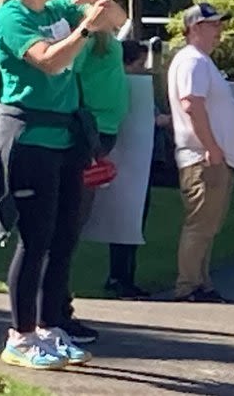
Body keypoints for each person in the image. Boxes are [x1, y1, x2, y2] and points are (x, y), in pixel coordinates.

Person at [0, 0, 122, 370]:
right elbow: (49, 61)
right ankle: (20, 335)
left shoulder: (58, 7)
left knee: (63, 239)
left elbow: (117, 19)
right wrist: (85, 27)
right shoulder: (12, 16)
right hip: (28, 139)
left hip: (64, 140)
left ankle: (49, 328)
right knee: (35, 238)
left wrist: (97, 2)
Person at [45, 0, 130, 339]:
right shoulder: (62, 9)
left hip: (100, 125)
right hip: (83, 124)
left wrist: (96, 2)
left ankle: (56, 307)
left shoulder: (87, 1)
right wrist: (87, 14)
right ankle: (52, 312)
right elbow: (68, 63)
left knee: (72, 222)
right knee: (66, 221)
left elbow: (119, 18)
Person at [168, 2, 234, 303]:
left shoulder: (199, 61)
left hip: (208, 155)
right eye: (213, 25)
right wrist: (212, 146)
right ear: (195, 28)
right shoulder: (193, 62)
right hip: (202, 156)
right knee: (200, 224)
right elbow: (192, 104)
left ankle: (201, 282)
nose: (220, 31)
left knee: (208, 225)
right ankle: (188, 285)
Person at [104, 41, 168, 300]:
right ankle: (120, 277)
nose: (143, 70)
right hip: (129, 165)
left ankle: (124, 275)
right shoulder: (125, 90)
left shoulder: (133, 90)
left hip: (139, 164)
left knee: (133, 223)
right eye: (139, 64)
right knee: (126, 223)